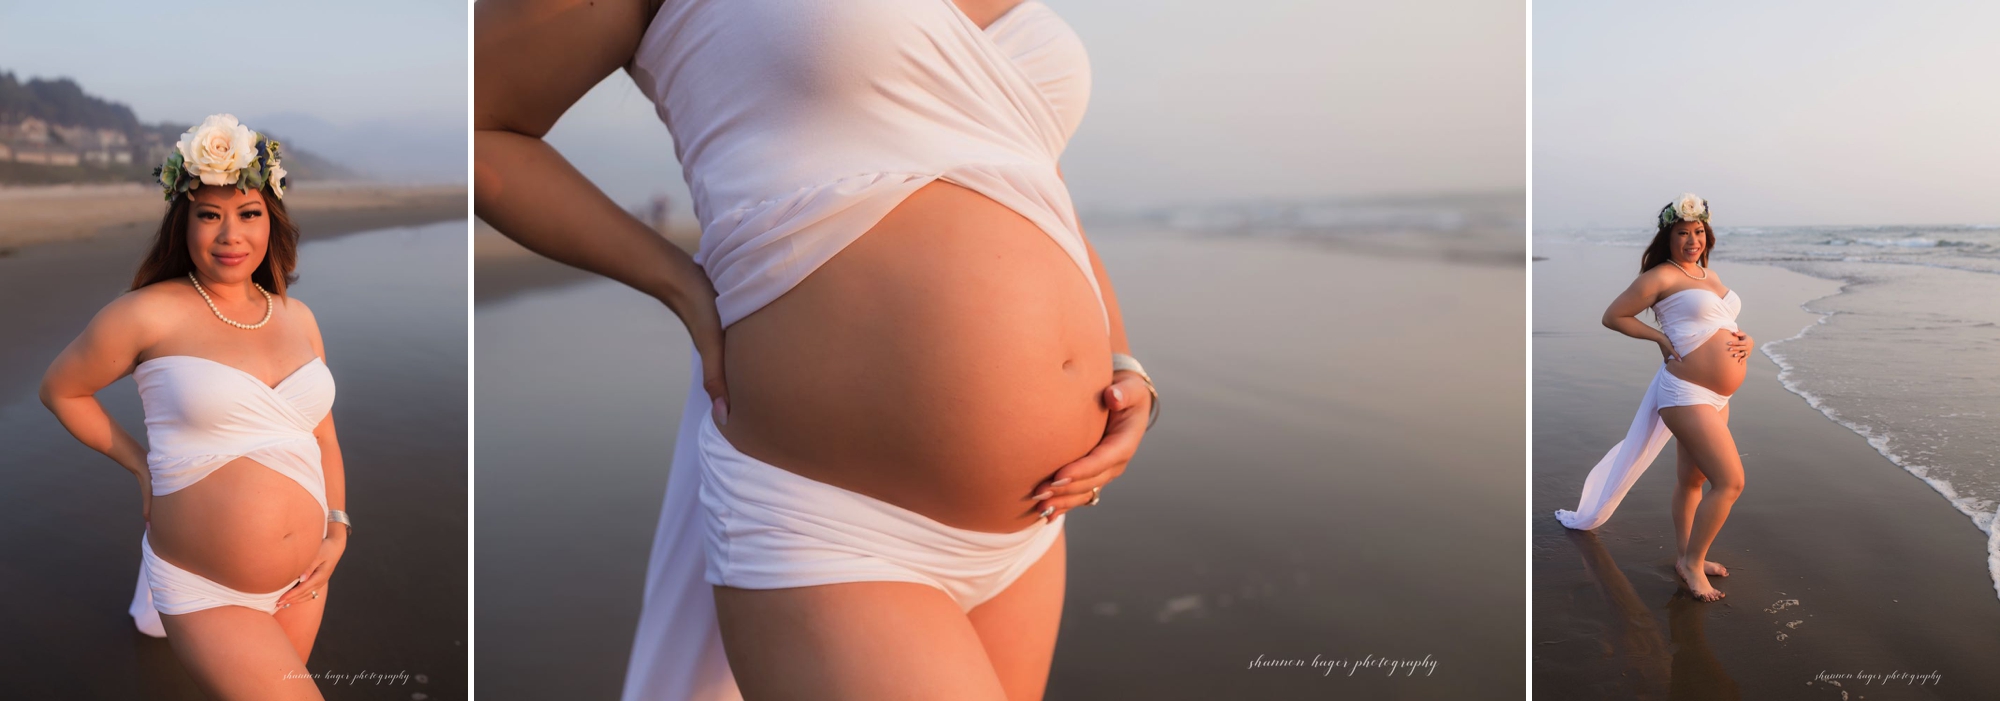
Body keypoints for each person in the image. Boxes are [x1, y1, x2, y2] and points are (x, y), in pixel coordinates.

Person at [474, 0, 1159, 698]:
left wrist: (1122, 361)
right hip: (834, 526)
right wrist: (678, 281)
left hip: (1037, 523)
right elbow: (480, 123)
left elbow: (1033, 175)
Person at [40, 114, 350, 700]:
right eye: (210, 215)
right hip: (208, 591)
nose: (230, 235)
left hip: (306, 580)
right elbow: (61, 389)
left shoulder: (299, 318)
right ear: (183, 223)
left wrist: (338, 528)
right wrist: (141, 466)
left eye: (248, 214)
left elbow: (323, 438)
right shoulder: (146, 313)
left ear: (271, 219)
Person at [1554, 193, 1753, 602]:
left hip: (1717, 397)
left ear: (1707, 235)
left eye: (1698, 232)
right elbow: (1614, 316)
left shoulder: (1708, 277)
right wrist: (1659, 338)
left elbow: (1723, 323)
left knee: (1693, 479)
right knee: (1731, 482)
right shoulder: (1661, 276)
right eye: (1682, 233)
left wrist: (1747, 340)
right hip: (1686, 393)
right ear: (1668, 237)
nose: (1692, 240)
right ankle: (1694, 565)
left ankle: (1686, 556)